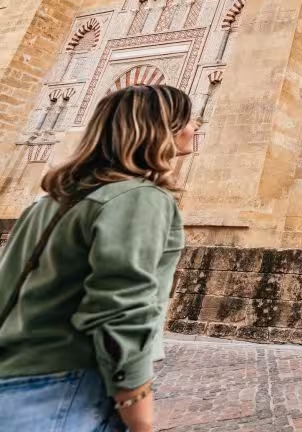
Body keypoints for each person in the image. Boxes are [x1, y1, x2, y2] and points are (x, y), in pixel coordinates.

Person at [0, 84, 197, 432]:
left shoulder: (48, 202)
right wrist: (139, 414)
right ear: (162, 129)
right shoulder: (140, 198)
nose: (194, 126)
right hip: (63, 389)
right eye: (187, 119)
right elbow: (121, 311)